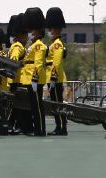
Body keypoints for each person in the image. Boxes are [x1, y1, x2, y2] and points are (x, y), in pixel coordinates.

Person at [19, 7, 47, 136]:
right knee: (34, 107)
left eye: (32, 30)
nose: (30, 33)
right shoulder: (32, 46)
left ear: (37, 31)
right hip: (29, 78)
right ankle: (37, 128)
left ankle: (40, 129)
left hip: (34, 79)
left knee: (37, 106)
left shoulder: (39, 46)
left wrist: (35, 79)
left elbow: (39, 64)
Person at [43, 7, 67, 136]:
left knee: (58, 104)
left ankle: (62, 127)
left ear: (57, 29)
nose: (49, 31)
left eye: (51, 29)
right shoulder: (53, 44)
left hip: (55, 79)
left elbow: (56, 63)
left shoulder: (57, 44)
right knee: (55, 104)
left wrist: (52, 77)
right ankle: (59, 126)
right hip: (52, 78)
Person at [6, 14, 28, 134]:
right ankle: (13, 125)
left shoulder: (15, 46)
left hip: (15, 80)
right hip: (19, 80)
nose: (27, 37)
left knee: (16, 106)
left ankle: (15, 125)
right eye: (25, 35)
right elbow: (14, 61)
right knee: (18, 106)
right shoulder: (18, 46)